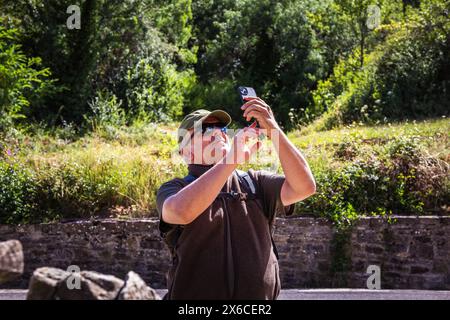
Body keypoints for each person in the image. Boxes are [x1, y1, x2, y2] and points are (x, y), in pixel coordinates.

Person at [156, 97, 316, 300]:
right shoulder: (174, 188)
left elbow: (305, 187)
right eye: (205, 129)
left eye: (222, 129)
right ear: (184, 150)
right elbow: (180, 211)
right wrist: (232, 160)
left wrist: (273, 130)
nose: (218, 133)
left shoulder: (255, 182)